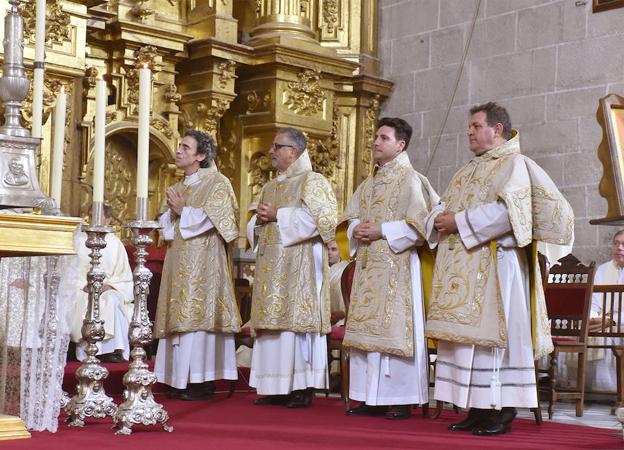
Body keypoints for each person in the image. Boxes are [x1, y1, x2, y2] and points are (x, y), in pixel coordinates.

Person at [426, 102, 574, 435]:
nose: (469, 132)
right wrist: (437, 218)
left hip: (498, 268)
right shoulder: (467, 170)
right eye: (469, 127)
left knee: (497, 344)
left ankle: (502, 410)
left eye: (476, 126)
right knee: (469, 346)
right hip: (465, 269)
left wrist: (459, 221)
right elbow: (445, 207)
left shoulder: (515, 165)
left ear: (497, 129)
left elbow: (510, 215)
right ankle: (477, 410)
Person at [339, 117, 438, 420]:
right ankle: (371, 397)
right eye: (376, 137)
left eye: (384, 138)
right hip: (369, 268)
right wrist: (355, 229)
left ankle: (401, 399)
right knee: (368, 335)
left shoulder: (411, 180)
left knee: (395, 331)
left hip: (397, 268)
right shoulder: (368, 184)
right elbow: (348, 221)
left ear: (401, 145)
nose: (376, 142)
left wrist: (383, 230)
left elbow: (420, 228)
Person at [247, 127, 338, 408]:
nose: (271, 151)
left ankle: (301, 387)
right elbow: (254, 223)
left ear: (293, 151)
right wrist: (259, 222)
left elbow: (325, 219)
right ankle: (274, 386)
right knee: (273, 326)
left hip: (300, 266)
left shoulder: (313, 181)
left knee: (295, 326)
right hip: (271, 266)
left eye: (277, 146)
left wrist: (280, 215)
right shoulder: (270, 186)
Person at [154, 130, 241, 401]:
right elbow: (167, 231)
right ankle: (175, 378)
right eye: (180, 146)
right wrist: (168, 215)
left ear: (201, 156)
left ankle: (200, 381)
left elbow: (223, 221)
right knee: (178, 317)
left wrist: (183, 212)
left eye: (185, 147)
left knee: (198, 319)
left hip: (204, 264)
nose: (178, 151)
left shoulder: (217, 182)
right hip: (178, 260)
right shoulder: (179, 187)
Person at [64, 204, 133, 363]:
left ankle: (113, 349)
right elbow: (70, 270)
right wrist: (83, 286)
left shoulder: (115, 244)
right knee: (88, 301)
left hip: (108, 288)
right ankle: (88, 350)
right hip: (81, 289)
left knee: (111, 300)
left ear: (108, 220)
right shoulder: (79, 240)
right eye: (90, 215)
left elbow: (124, 276)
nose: (92, 219)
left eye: (97, 216)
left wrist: (110, 286)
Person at [559, 230, 624, 393]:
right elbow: (593, 303)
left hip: (620, 321)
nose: (619, 248)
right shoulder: (602, 270)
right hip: (602, 320)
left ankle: (611, 389)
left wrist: (613, 320)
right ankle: (583, 387)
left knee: (611, 333)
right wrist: (593, 318)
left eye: (623, 244)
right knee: (580, 329)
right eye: (616, 243)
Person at [327, 240, 348, 325]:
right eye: (327, 249)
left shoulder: (345, 269)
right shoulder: (316, 268)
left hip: (339, 318)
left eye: (333, 249)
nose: (329, 252)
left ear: (341, 251)